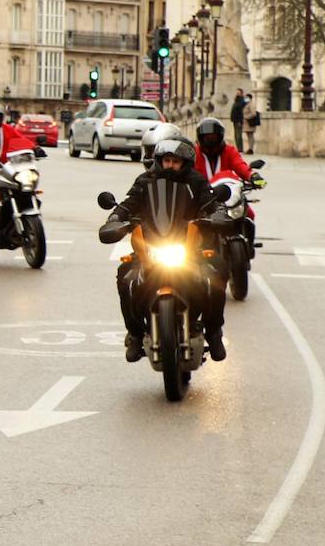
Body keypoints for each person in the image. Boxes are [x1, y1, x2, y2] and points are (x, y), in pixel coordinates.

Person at [99, 136, 226, 362]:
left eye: (175, 161)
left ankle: (214, 332)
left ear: (185, 163)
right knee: (125, 278)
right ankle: (136, 334)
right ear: (159, 160)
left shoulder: (196, 182)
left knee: (217, 272)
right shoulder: (145, 181)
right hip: (151, 246)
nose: (170, 165)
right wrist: (115, 218)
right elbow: (128, 204)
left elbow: (211, 204)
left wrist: (218, 216)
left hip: (187, 249)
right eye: (166, 160)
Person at [194, 117, 258, 185]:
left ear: (220, 137)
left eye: (213, 137)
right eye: (207, 137)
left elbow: (239, 165)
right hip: (200, 192)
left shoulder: (229, 150)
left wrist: (252, 175)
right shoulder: (193, 153)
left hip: (227, 191)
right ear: (200, 138)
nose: (210, 139)